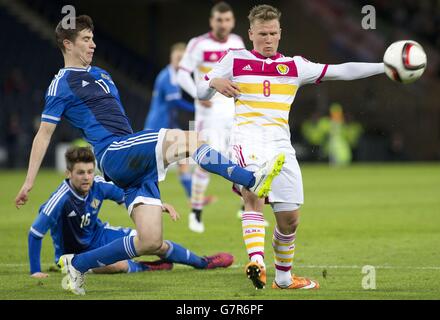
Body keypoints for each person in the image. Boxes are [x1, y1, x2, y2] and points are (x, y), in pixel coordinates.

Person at [15, 14, 284, 295]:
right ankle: (251, 179)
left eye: (93, 38)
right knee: (192, 139)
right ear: (68, 44)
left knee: (150, 241)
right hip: (113, 152)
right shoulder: (61, 84)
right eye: (86, 39)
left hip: (133, 159)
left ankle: (78, 265)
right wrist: (29, 182)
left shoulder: (101, 74)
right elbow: (43, 133)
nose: (93, 44)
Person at [197, 4, 385, 290]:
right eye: (262, 34)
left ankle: (283, 279)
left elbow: (342, 71)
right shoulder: (234, 60)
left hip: (281, 148)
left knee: (289, 220)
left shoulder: (295, 66)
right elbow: (201, 89)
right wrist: (215, 81)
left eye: (273, 33)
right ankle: (257, 262)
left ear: (280, 33)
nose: (268, 39)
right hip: (248, 141)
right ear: (251, 34)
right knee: (253, 194)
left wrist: (385, 66)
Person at [28, 146, 234, 278]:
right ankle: (147, 267)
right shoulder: (60, 199)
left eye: (90, 172)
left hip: (99, 235)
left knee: (151, 241)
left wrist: (159, 205)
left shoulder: (97, 184)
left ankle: (203, 262)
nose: (86, 177)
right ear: (69, 173)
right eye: (80, 173)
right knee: (117, 265)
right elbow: (35, 233)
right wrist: (36, 271)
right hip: (73, 255)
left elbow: (128, 196)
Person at [177, 1, 245, 233]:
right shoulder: (198, 44)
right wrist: (198, 93)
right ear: (211, 21)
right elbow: (182, 74)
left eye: (227, 20)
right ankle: (196, 211)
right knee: (206, 161)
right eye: (219, 20)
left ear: (233, 21)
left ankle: (246, 208)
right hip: (208, 112)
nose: (223, 24)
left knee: (239, 157)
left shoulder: (237, 42)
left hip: (232, 110)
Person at [144, 42, 195, 200]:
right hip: (157, 126)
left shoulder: (174, 75)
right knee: (147, 167)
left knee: (185, 155)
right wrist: (198, 107)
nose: (180, 62)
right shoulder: (168, 76)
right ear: (171, 58)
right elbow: (175, 102)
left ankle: (193, 197)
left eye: (183, 58)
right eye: (178, 58)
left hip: (167, 125)